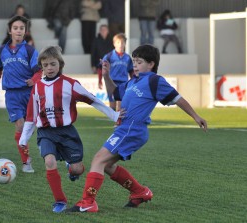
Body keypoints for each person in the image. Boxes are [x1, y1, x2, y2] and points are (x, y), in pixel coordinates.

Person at [65, 44, 208, 213]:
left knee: (98, 160)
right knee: (106, 165)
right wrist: (106, 75)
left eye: (139, 62)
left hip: (132, 130)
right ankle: (140, 192)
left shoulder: (155, 81)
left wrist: (195, 116)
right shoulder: (133, 81)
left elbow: (177, 98)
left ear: (151, 64)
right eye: (133, 61)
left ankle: (88, 202)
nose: (134, 65)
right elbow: (114, 92)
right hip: (123, 129)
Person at [18, 46, 123, 213]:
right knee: (49, 162)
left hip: (67, 133)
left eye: (53, 64)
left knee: (77, 169)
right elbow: (31, 115)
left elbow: (93, 100)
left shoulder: (70, 84)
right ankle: (60, 201)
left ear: (60, 64)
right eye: (45, 65)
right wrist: (24, 139)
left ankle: (71, 169)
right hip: (46, 133)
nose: (49, 68)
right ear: (41, 67)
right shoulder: (37, 87)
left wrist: (114, 115)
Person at [0, 15, 42, 173]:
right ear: (10, 31)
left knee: (30, 126)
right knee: (20, 126)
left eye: (21, 28)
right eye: (15, 28)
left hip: (29, 93)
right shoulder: (1, 50)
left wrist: (34, 79)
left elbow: (39, 71)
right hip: (12, 95)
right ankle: (26, 161)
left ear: (25, 31)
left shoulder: (30, 50)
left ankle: (32, 142)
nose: (18, 31)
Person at [100, 33, 133, 112]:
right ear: (114, 44)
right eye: (118, 42)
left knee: (121, 103)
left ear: (125, 43)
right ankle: (114, 118)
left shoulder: (128, 57)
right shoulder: (109, 56)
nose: (120, 44)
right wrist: (100, 80)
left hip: (123, 82)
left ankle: (119, 121)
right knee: (112, 104)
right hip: (112, 81)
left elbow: (131, 71)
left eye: (122, 42)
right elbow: (101, 69)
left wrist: (134, 81)